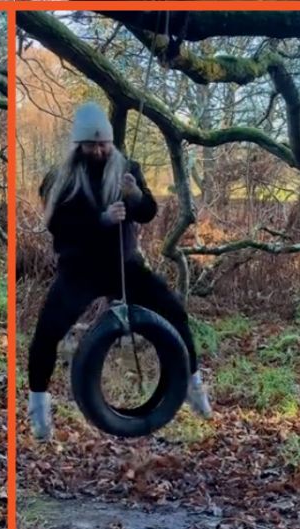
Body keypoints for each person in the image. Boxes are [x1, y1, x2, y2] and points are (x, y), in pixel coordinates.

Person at [26, 102, 212, 441]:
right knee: (46, 333)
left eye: (103, 144)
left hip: (124, 266)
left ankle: (192, 384)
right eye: (91, 145)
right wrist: (101, 220)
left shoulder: (127, 168)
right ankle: (38, 407)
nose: (98, 150)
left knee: (174, 313)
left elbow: (148, 213)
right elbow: (58, 226)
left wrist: (135, 195)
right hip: (80, 270)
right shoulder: (62, 179)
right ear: (78, 146)